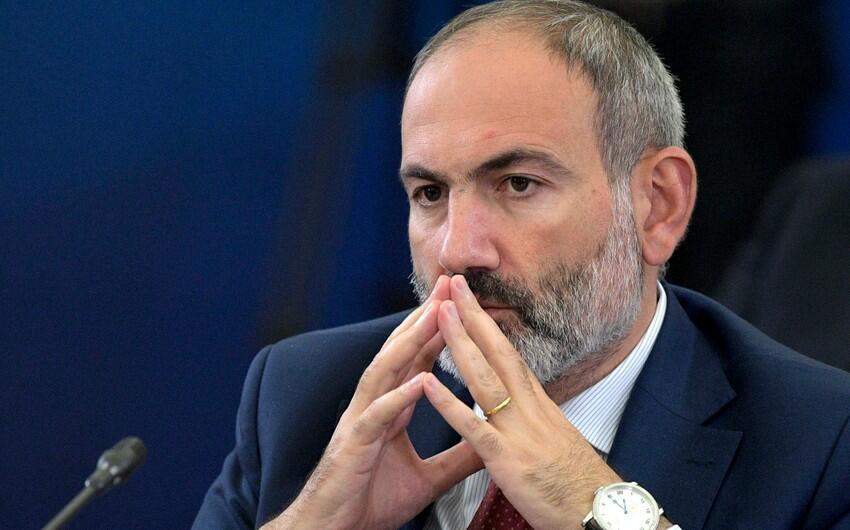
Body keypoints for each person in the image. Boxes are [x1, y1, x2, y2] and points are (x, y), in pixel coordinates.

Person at [193, 1, 850, 529]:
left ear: (658, 205)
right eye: (430, 194)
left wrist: (595, 509)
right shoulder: (304, 401)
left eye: (518, 185)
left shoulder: (819, 447)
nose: (458, 251)